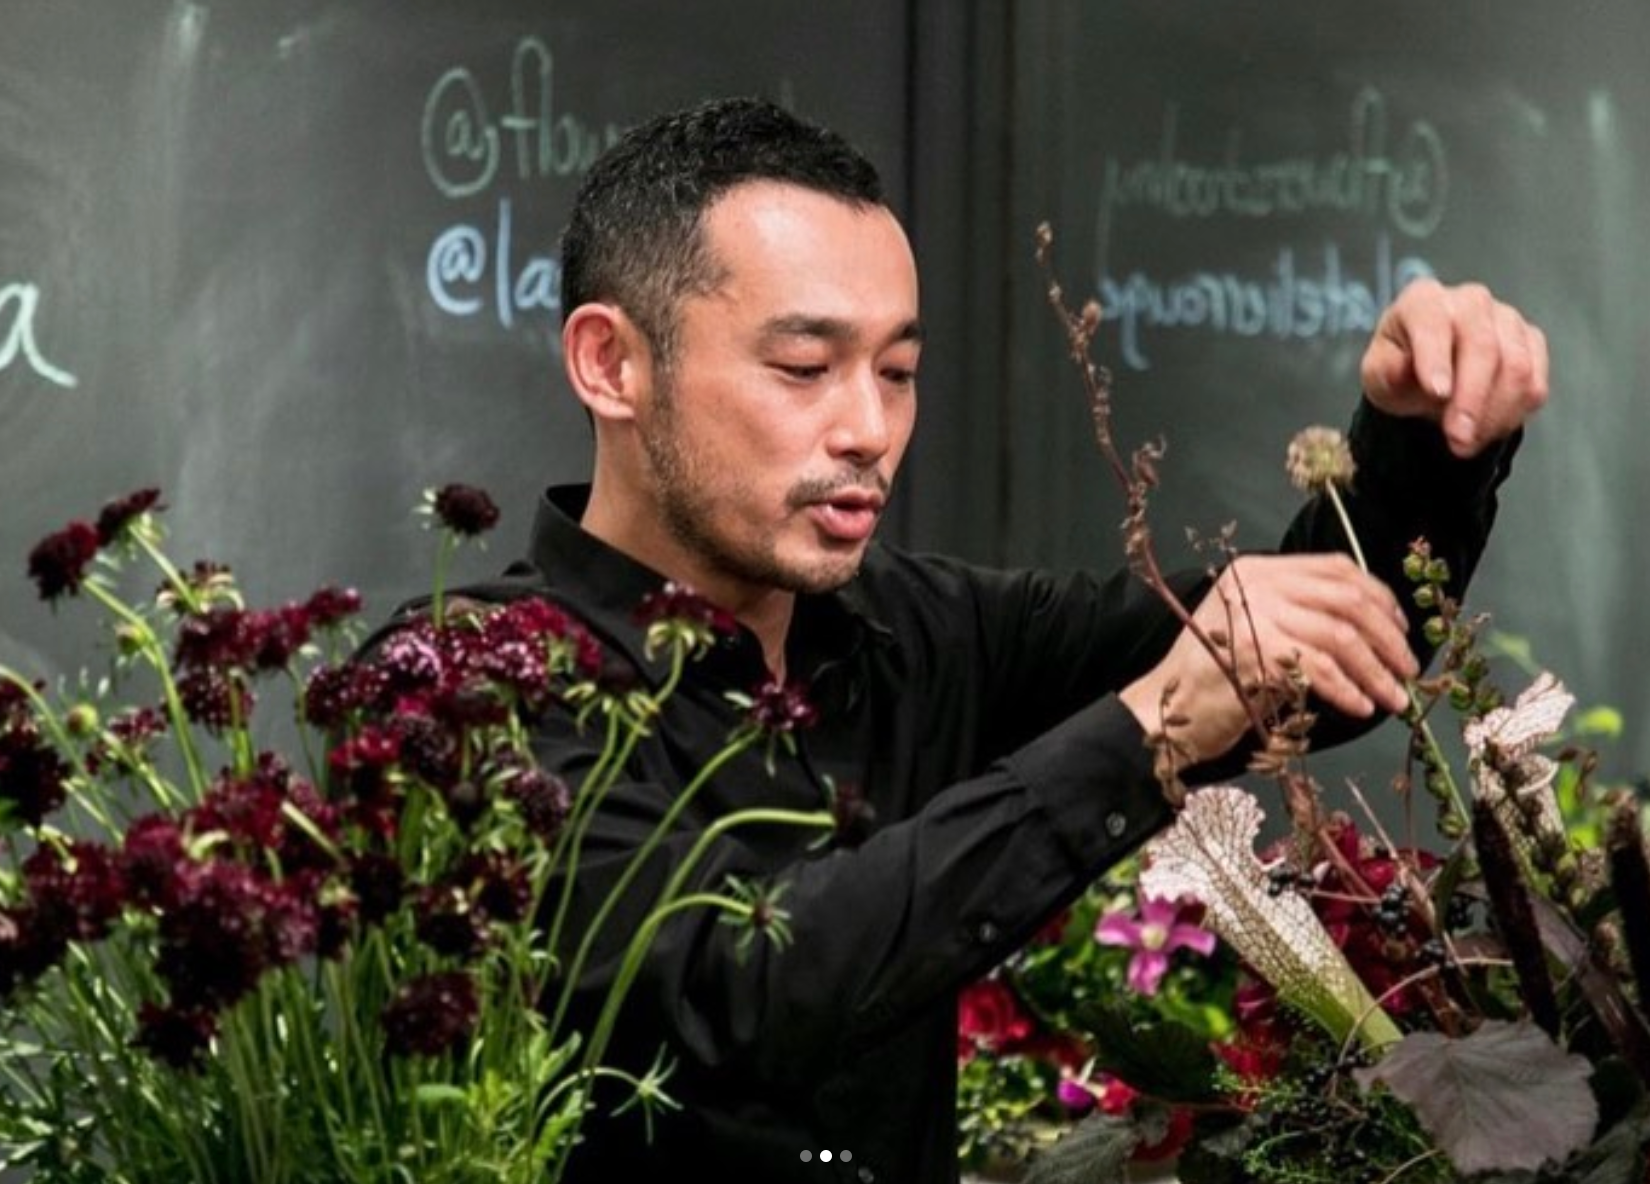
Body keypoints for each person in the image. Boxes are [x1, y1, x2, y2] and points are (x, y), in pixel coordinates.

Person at [497, 97, 1547, 1182]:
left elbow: (1313, 658)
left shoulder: (919, 627)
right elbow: (734, 991)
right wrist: (1144, 731)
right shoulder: (477, 688)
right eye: (805, 367)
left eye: (897, 371)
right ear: (611, 364)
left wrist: (1428, 432)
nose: (867, 429)